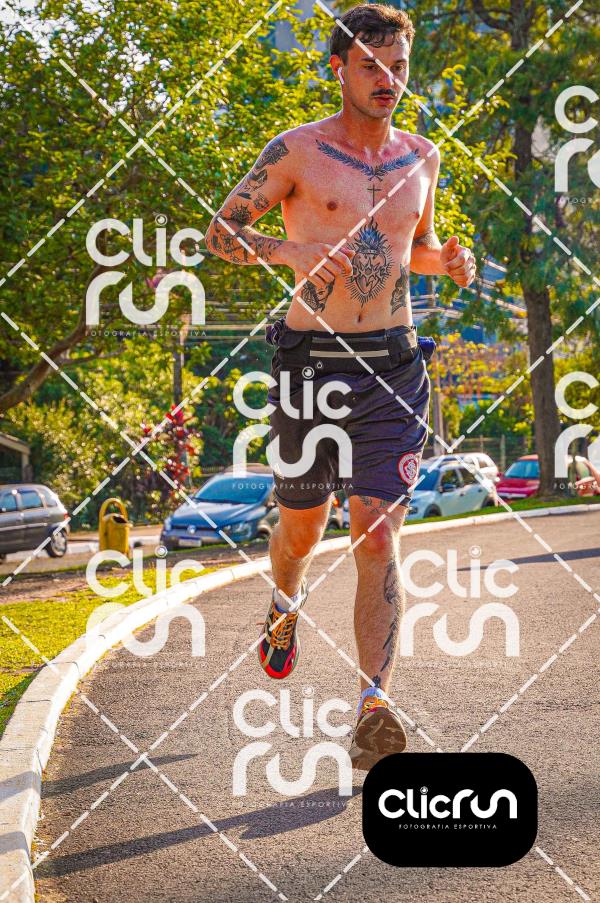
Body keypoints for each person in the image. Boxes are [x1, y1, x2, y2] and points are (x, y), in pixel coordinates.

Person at [206, 3, 476, 770]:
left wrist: (449, 263)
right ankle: (284, 600)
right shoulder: (298, 150)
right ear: (339, 68)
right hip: (309, 365)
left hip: (394, 363)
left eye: (400, 67)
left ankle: (373, 707)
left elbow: (415, 250)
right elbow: (220, 232)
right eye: (372, 66)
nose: (389, 80)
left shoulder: (422, 157)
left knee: (378, 532)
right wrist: (287, 251)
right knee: (303, 526)